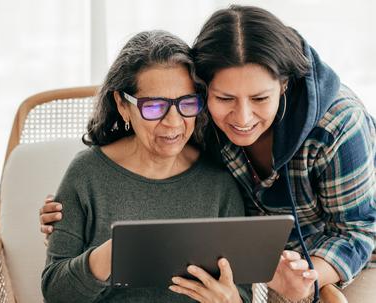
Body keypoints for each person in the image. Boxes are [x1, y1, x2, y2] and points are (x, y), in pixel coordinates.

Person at [40, 5, 376, 303]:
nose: (242, 119)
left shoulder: (337, 127)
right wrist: (90, 241)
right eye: (225, 98)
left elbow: (358, 228)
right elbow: (57, 287)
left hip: (343, 254)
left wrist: (313, 278)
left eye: (259, 98)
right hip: (276, 257)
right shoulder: (194, 127)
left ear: (284, 85)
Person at [41, 30, 252, 303]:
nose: (173, 122)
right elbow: (55, 292)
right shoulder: (86, 174)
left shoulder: (219, 181)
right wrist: (111, 255)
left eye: (187, 103)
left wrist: (230, 300)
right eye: (154, 107)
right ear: (122, 105)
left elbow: (243, 293)